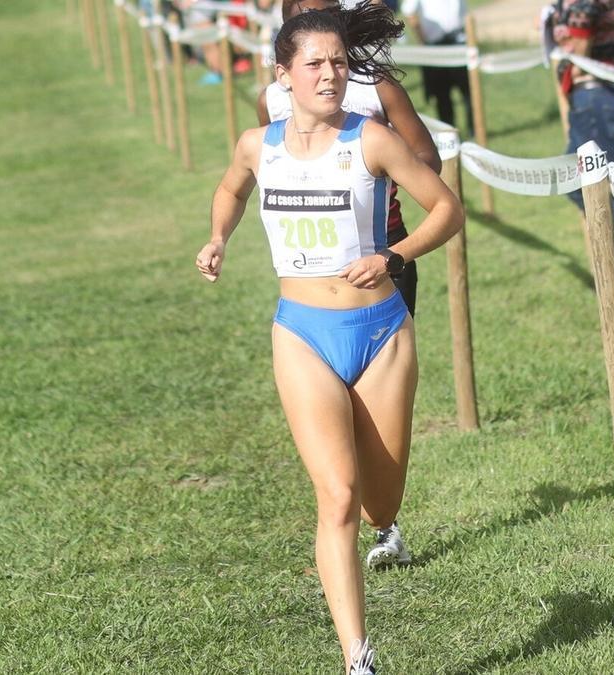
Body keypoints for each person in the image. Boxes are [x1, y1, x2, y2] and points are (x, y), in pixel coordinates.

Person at [194, 5, 463, 671]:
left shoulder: (371, 139)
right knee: (336, 494)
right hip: (303, 333)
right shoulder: (259, 144)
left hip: (381, 332)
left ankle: (389, 527)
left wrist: (395, 256)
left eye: (339, 62)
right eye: (314, 63)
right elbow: (231, 189)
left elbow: (448, 210)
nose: (330, 74)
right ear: (282, 74)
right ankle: (357, 655)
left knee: (380, 497)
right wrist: (218, 237)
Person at [256, 0, 440, 577]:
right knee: (335, 422)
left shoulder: (373, 85)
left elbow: (426, 156)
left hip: (384, 264)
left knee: (375, 415)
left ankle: (384, 521)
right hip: (314, 294)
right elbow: (262, 169)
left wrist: (377, 184)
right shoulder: (273, 97)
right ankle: (354, 510)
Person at [550, 0, 614, 287]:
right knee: (577, 179)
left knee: (607, 184)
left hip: (600, 94)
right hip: (603, 93)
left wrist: (577, 64)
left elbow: (583, 21)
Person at [400, 0, 474, 132]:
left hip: (458, 42)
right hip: (435, 45)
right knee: (442, 95)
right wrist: (423, 41)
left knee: (468, 90)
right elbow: (409, 11)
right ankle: (449, 133)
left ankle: (474, 130)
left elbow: (465, 13)